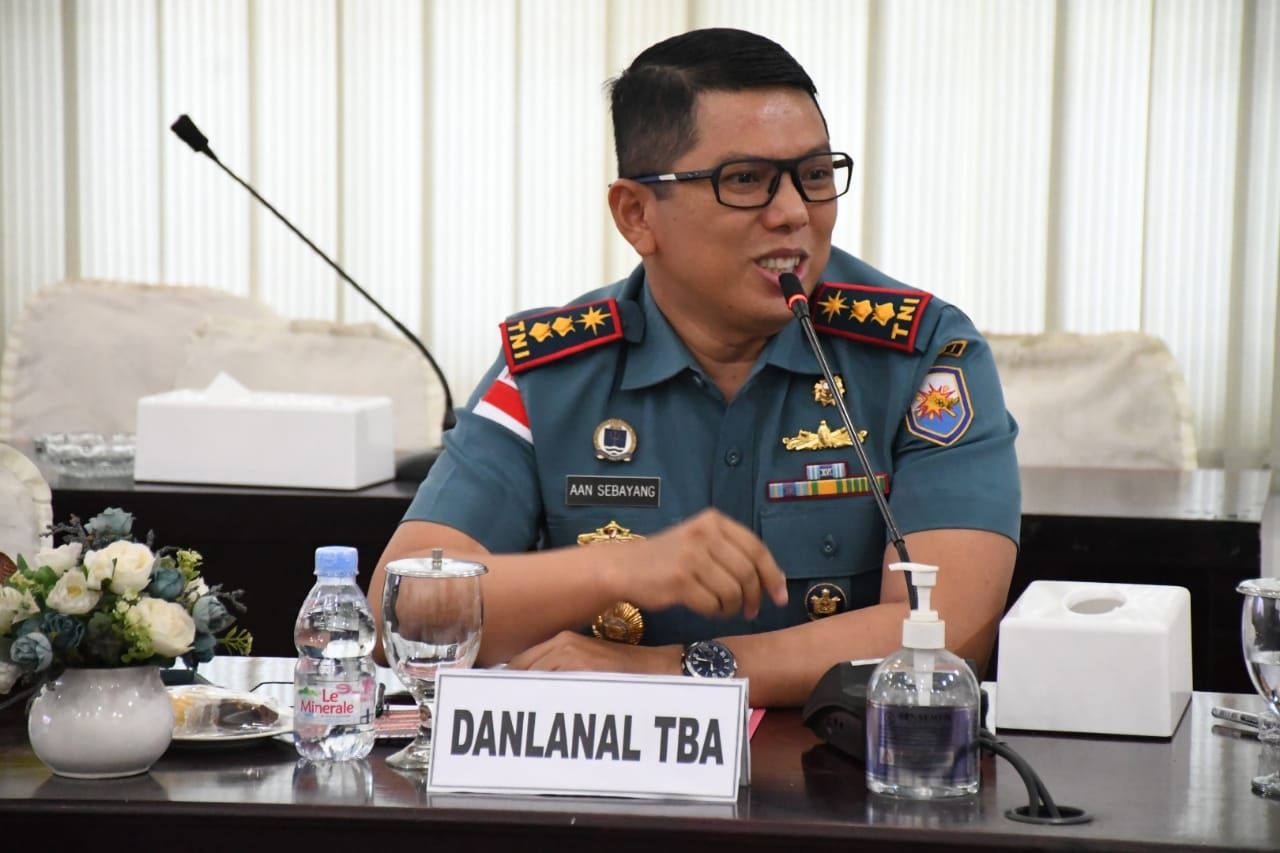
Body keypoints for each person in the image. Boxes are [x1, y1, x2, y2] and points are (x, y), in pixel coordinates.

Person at [370, 27, 1019, 708]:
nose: (794, 213)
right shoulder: (550, 373)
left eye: (815, 175)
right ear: (637, 215)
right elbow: (402, 613)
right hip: (607, 769)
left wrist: (673, 670)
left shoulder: (923, 355)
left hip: (838, 769)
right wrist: (620, 567)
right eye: (745, 181)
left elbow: (946, 631)